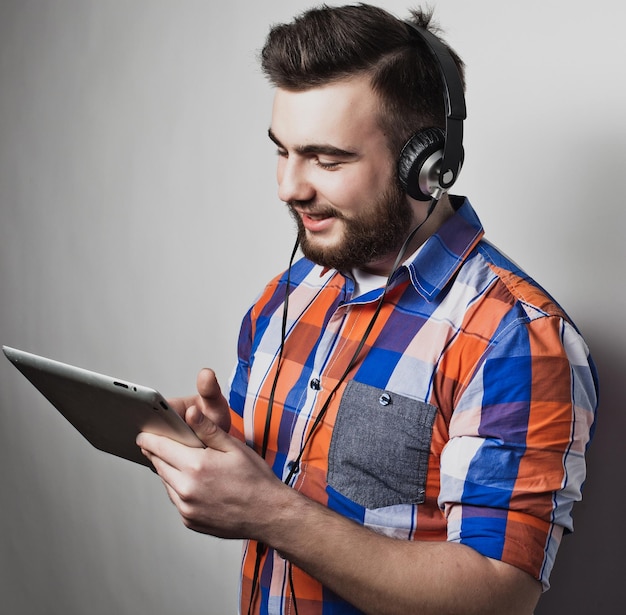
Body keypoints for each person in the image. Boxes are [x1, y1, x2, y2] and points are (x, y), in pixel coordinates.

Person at [136, 4, 599, 614]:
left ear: (426, 168)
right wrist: (222, 448)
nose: (290, 187)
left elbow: (498, 597)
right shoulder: (288, 295)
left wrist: (265, 510)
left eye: (328, 160)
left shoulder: (516, 338)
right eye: (284, 151)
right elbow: (294, 482)